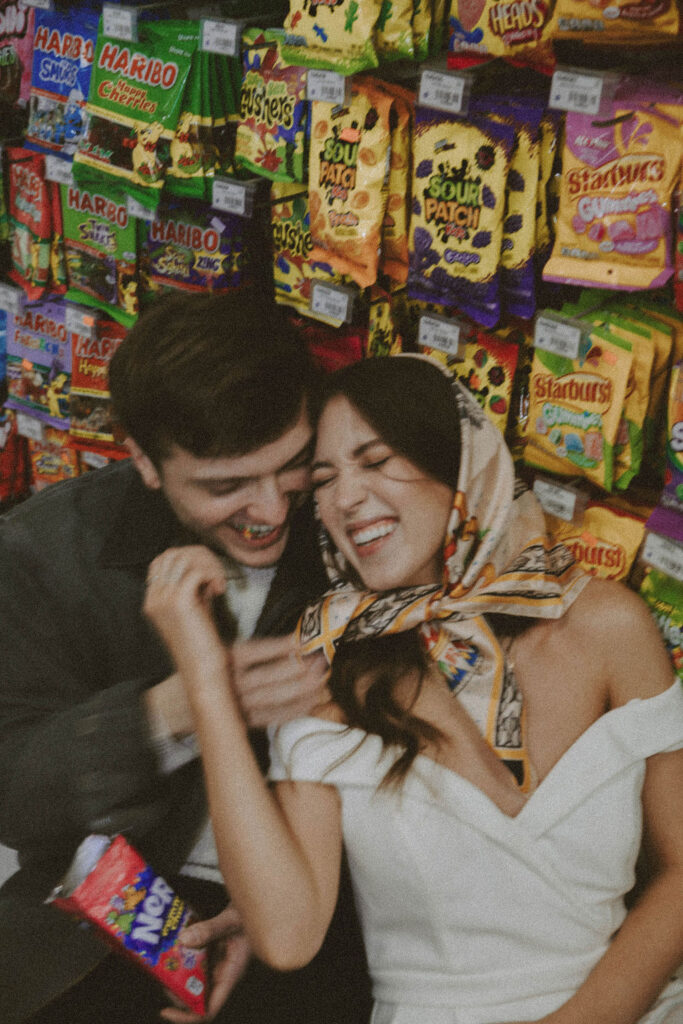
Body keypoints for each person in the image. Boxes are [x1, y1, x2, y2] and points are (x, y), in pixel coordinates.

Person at [144, 355, 683, 1024]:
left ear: (457, 459)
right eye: (325, 479)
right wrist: (205, 681)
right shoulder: (329, 676)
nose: (344, 498)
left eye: (374, 460)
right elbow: (286, 934)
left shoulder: (605, 626)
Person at [0, 289, 371, 1024]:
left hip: (314, 909)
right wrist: (168, 711)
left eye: (290, 467)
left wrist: (265, 902)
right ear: (141, 457)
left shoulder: (359, 529)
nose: (269, 512)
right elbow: (16, 802)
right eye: (224, 486)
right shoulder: (45, 548)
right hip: (92, 915)